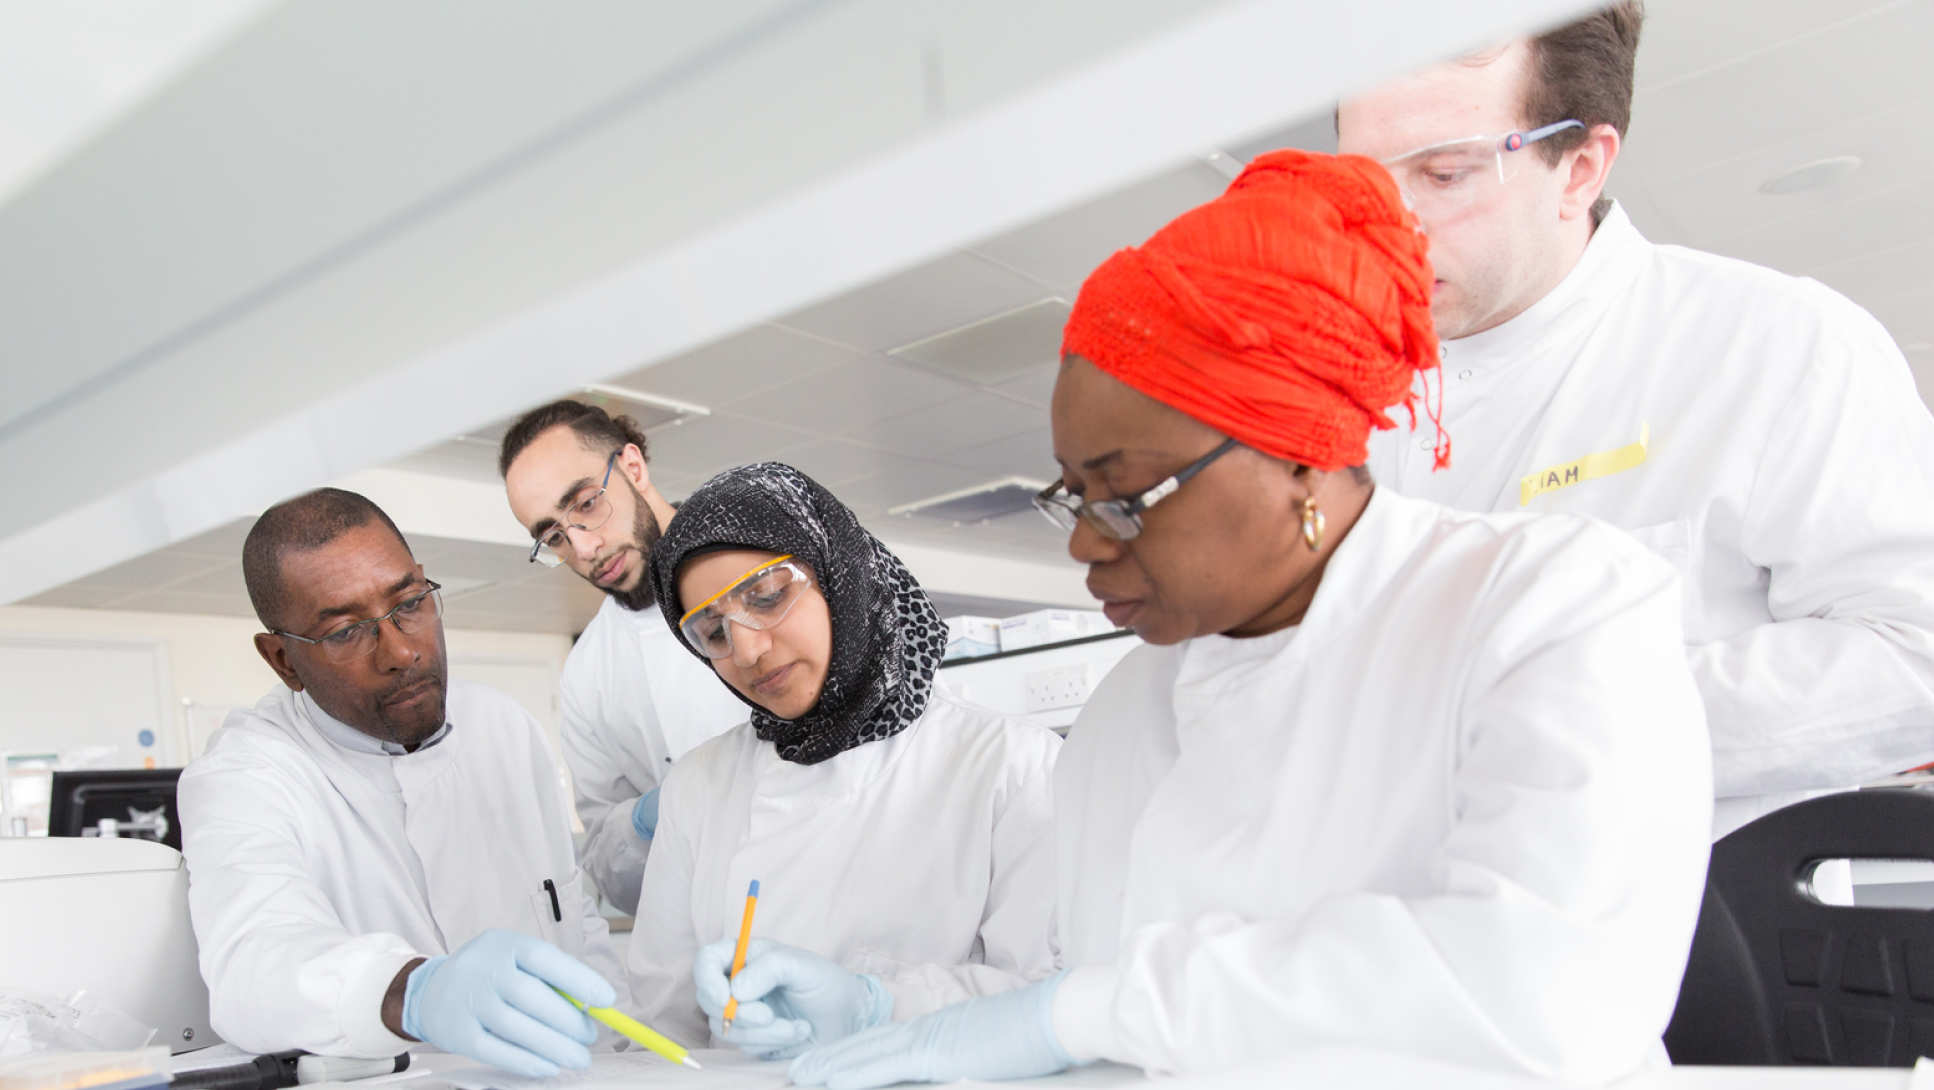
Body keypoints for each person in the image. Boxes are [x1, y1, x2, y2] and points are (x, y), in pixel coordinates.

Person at [787, 150, 1711, 1087]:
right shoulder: (1124, 715)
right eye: (1073, 498)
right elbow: (1083, 994)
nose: (1084, 548)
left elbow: (1550, 991)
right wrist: (885, 1005)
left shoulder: (1552, 607)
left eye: (1125, 496)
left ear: (1299, 462)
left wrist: (1081, 1012)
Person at [1336, 2, 1934, 839]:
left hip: (1704, 938)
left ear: (1580, 166)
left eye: (1444, 175)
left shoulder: (1772, 343)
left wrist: (1546, 718)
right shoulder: (1332, 392)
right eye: (1360, 180)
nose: (1386, 227)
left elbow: (1913, 660)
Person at [178, 488, 627, 1078]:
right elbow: (254, 965)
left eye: (411, 602)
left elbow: (570, 914)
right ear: (283, 660)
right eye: (344, 633)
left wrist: (625, 1044)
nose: (401, 652)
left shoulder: (504, 726)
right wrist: (415, 992)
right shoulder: (246, 775)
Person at [625, 462, 1060, 1057]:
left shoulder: (1008, 764)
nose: (748, 649)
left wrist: (874, 1006)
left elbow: (1047, 1003)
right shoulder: (699, 785)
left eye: (767, 597)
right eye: (714, 632)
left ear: (838, 573)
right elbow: (662, 1029)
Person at [500, 401, 745, 913]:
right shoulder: (588, 675)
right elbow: (613, 877)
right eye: (554, 536)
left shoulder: (763, 572)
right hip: (707, 947)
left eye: (587, 504)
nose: (584, 548)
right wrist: (645, 821)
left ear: (632, 467)